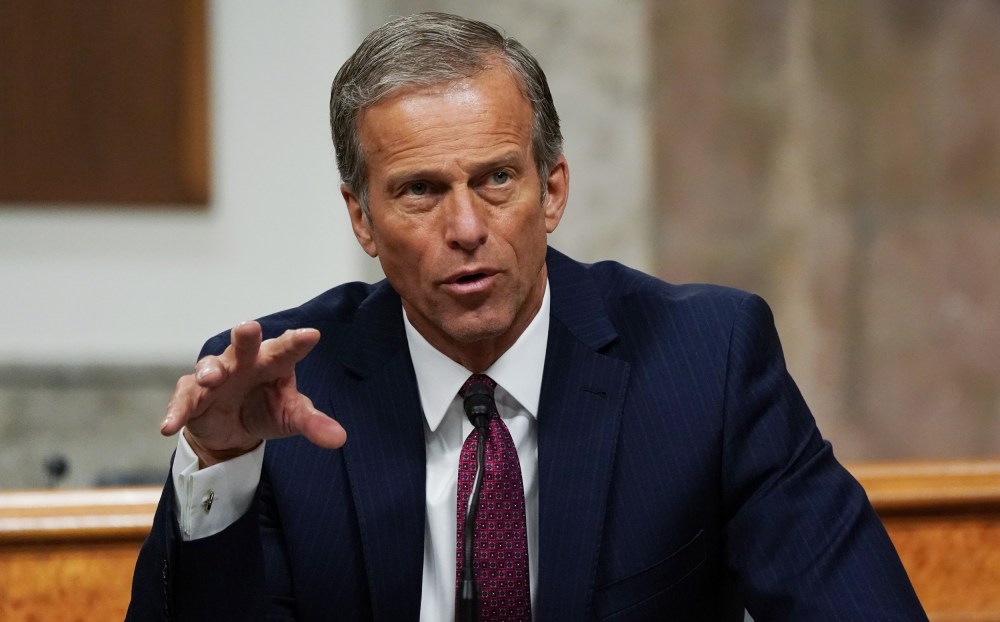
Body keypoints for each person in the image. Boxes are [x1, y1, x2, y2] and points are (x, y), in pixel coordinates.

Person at [127, 12, 926, 621]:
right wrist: (222, 465)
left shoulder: (704, 363)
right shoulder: (284, 394)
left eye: (497, 179)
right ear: (361, 219)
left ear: (553, 191)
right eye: (420, 190)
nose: (468, 227)